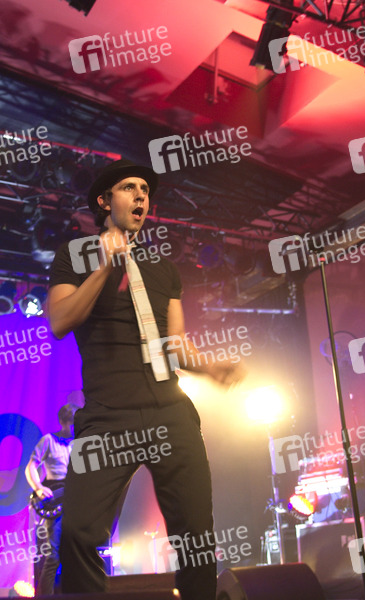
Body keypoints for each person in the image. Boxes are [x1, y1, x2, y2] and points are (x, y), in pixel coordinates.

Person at [47, 159, 245, 600]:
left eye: (145, 190)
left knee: (196, 537)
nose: (141, 195)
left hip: (170, 412)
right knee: (78, 532)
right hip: (107, 416)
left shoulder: (163, 269)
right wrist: (105, 267)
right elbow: (60, 321)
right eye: (129, 188)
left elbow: (175, 344)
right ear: (105, 201)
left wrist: (210, 368)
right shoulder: (74, 256)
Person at [25, 402, 78, 596]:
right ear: (62, 422)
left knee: (76, 554)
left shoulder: (80, 443)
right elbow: (30, 466)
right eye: (71, 423)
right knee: (53, 556)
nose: (74, 428)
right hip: (56, 499)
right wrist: (38, 487)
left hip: (76, 499)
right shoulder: (49, 440)